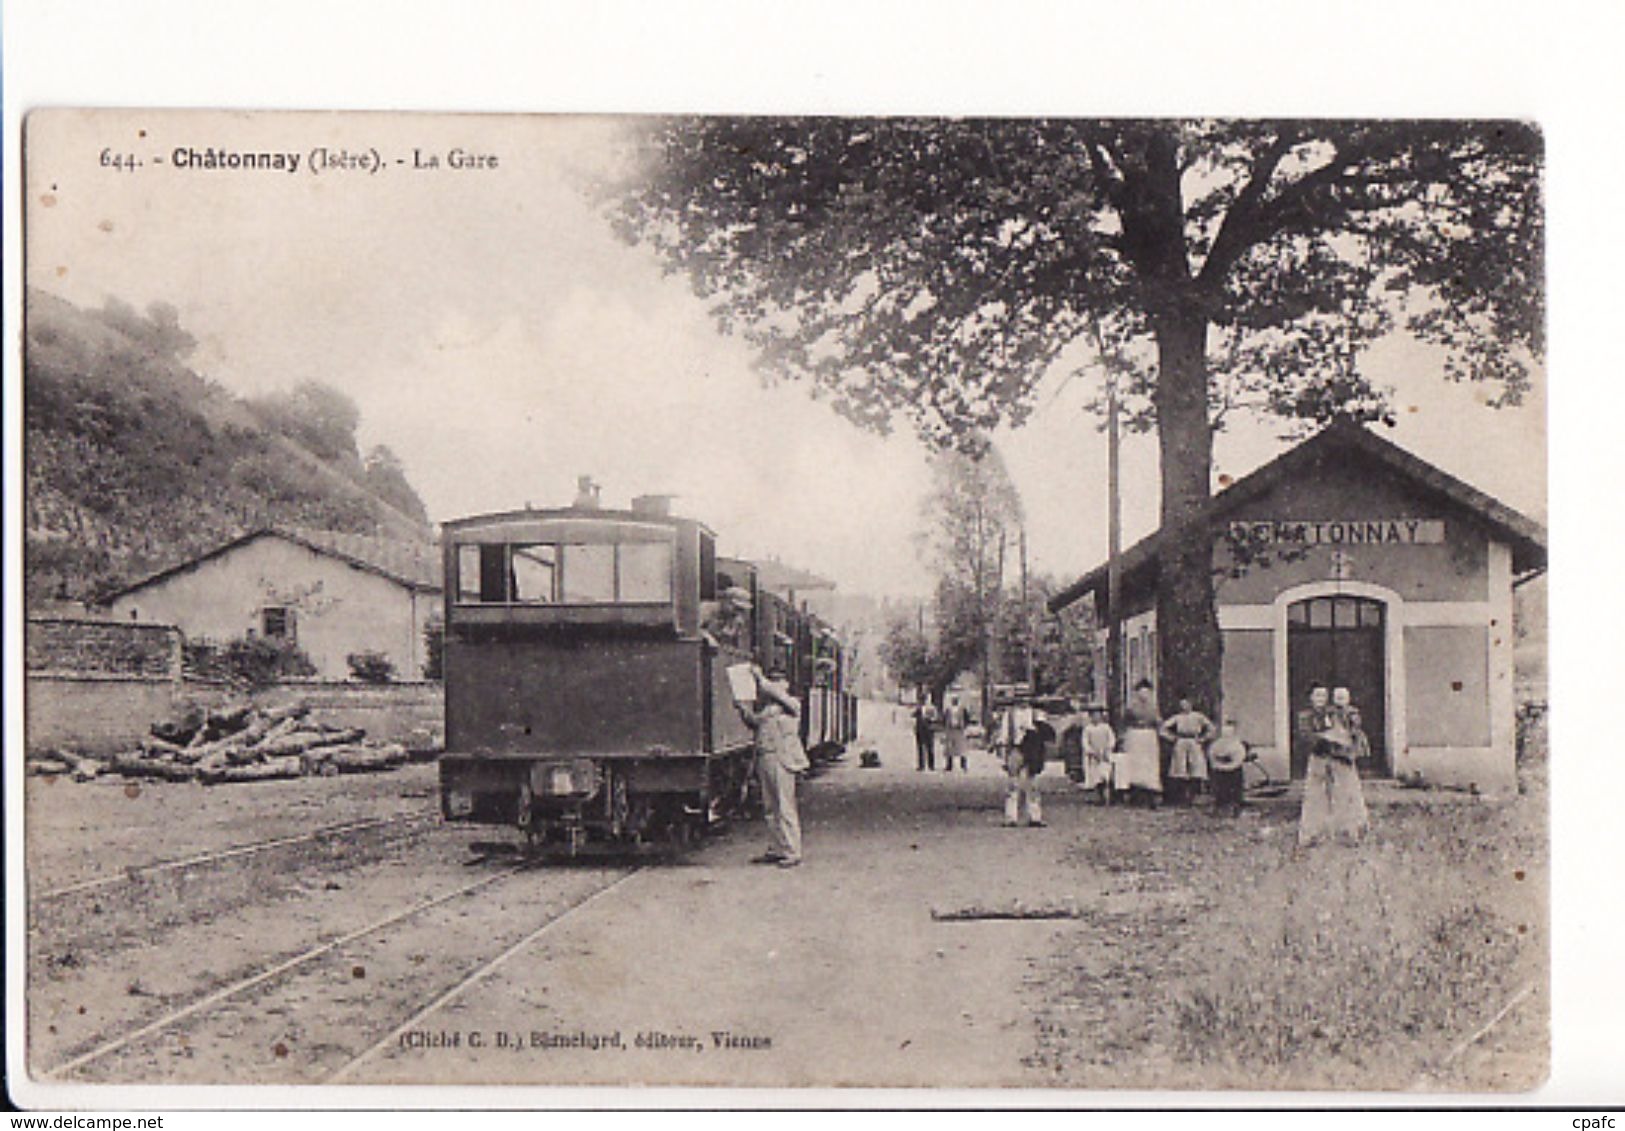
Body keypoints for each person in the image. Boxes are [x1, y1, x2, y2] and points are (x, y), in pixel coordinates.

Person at [738, 665, 809, 867]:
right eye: (773, 679)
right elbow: (754, 723)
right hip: (766, 757)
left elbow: (774, 693)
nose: (776, 684)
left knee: (785, 806)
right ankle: (777, 848)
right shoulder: (769, 709)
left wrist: (761, 679)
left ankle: (793, 851)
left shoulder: (792, 703)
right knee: (771, 807)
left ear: (785, 684)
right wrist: (743, 709)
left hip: (783, 759)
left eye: (779, 680)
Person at [1296, 683, 1370, 846]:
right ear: (1311, 698)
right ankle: (1312, 834)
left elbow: (1350, 733)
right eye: (1318, 696)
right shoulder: (1305, 716)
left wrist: (1344, 744)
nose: (1322, 699)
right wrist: (1327, 739)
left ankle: (1348, 831)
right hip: (1318, 758)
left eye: (1324, 696)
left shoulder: (1334, 714)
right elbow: (1307, 738)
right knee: (1316, 796)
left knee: (1343, 794)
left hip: (1337, 759)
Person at [1160, 697, 1216, 807]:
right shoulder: (1177, 717)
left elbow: (1212, 728)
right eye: (1182, 705)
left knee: (1196, 768)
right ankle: (1182, 798)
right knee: (1180, 769)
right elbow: (1163, 728)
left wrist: (1203, 738)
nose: (1184, 707)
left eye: (1186, 704)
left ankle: (1194, 796)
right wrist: (1172, 738)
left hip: (1194, 742)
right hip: (1181, 742)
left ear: (1191, 704)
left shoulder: (1198, 716)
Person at [1118, 679, 1162, 807]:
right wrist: (1123, 738)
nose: (1144, 695)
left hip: (1149, 736)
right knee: (1134, 765)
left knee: (1149, 765)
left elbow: (1158, 722)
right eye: (1141, 692)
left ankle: (1150, 795)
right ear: (1137, 694)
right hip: (1134, 736)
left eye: (1147, 692)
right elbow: (1124, 723)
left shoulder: (1153, 707)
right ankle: (1134, 795)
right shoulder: (1131, 707)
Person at [1003, 707, 1049, 827]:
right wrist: (1004, 753)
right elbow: (1004, 735)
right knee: (1013, 784)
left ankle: (1035, 817)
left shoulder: (1037, 714)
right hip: (1015, 749)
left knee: (1033, 784)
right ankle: (1011, 817)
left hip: (1031, 750)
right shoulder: (1009, 715)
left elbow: (1045, 733)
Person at [1207, 718, 1249, 817]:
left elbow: (1239, 756)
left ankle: (1235, 807)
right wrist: (1217, 764)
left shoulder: (1236, 744)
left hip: (1233, 767)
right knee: (1221, 788)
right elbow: (1212, 754)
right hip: (1221, 769)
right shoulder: (1217, 744)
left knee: (1235, 787)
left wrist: (1234, 762)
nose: (1227, 734)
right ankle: (1221, 806)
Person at [1080, 707, 1117, 804]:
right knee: (1096, 777)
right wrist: (1091, 751)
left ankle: (1111, 796)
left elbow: (1112, 740)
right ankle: (1099, 796)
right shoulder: (1088, 729)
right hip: (1093, 756)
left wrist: (1107, 749)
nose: (1096, 717)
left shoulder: (1106, 727)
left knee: (1107, 775)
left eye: (1098, 715)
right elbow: (1085, 742)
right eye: (1093, 715)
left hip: (1105, 754)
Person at [941, 694, 969, 773]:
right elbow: (944, 719)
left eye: (956, 699)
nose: (954, 701)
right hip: (950, 730)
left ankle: (963, 765)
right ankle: (949, 765)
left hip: (960, 730)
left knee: (962, 748)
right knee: (949, 748)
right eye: (953, 699)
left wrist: (964, 726)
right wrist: (945, 727)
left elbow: (967, 718)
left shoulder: (962, 709)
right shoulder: (948, 710)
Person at [913, 699, 937, 771]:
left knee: (930, 747)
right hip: (920, 730)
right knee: (920, 748)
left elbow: (935, 717)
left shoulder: (932, 708)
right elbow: (913, 715)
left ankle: (931, 765)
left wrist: (930, 719)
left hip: (929, 730)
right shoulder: (919, 708)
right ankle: (921, 765)